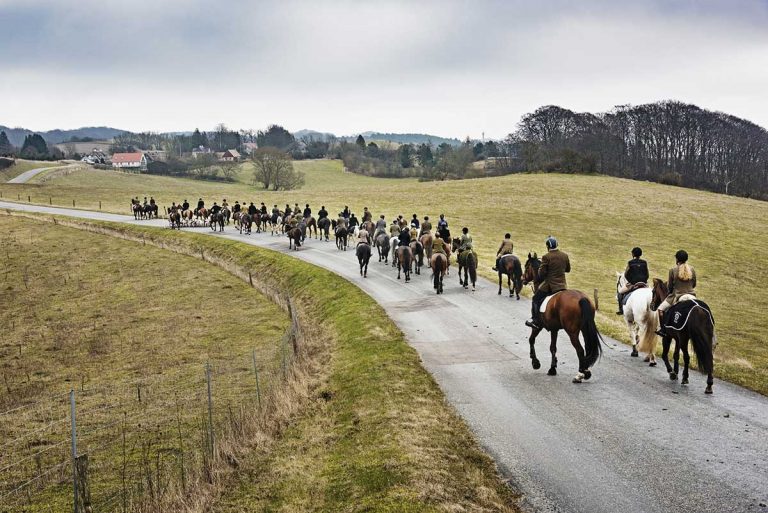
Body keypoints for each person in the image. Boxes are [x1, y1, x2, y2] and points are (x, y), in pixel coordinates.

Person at [526, 236, 571, 330]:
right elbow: (568, 269)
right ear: (557, 245)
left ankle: (535, 320)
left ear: (547, 246)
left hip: (550, 285)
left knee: (535, 299)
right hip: (562, 285)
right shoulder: (565, 255)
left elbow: (541, 273)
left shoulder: (546, 257)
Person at [656, 250, 697, 337]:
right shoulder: (692, 269)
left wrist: (671, 291)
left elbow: (670, 287)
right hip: (692, 296)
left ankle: (663, 330)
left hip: (677, 296)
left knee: (660, 310)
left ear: (677, 259)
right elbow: (694, 284)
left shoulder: (673, 270)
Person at [617, 247, 649, 315]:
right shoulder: (644, 262)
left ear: (633, 254)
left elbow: (626, 274)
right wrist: (645, 281)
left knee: (620, 293)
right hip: (644, 284)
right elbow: (647, 274)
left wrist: (630, 282)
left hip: (633, 284)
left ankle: (621, 310)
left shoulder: (630, 263)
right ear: (640, 254)